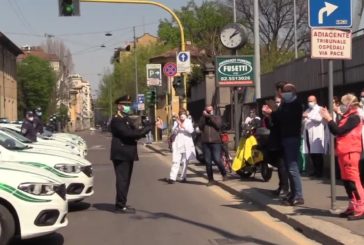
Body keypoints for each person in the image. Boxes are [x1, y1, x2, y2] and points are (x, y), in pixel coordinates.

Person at [320, 93, 364, 220]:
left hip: (350, 151)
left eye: (343, 104)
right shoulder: (348, 116)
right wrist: (330, 118)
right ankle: (353, 205)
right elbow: (337, 130)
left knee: (353, 181)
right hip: (344, 151)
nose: (341, 106)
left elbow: (339, 131)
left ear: (349, 105)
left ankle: (361, 207)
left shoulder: (355, 117)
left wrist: (329, 119)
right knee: (346, 181)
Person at [263, 83, 304, 206]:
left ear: (293, 93)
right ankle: (292, 194)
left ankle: (298, 195)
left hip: (292, 137)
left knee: (292, 167)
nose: (284, 94)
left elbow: (285, 117)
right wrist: (270, 113)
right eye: (283, 91)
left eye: (287, 91)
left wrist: (273, 111)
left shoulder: (296, 105)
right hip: (285, 137)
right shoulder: (286, 104)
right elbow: (277, 120)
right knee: (288, 167)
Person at [110, 95, 152, 214]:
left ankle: (122, 203)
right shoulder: (117, 120)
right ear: (119, 106)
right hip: (121, 154)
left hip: (127, 153)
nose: (128, 107)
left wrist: (144, 127)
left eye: (129, 105)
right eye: (126, 105)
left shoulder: (126, 119)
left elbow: (135, 131)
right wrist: (146, 129)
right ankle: (119, 206)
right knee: (122, 180)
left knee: (126, 180)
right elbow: (129, 134)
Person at [262, 95, 289, 197]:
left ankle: (285, 188)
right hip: (275, 142)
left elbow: (280, 124)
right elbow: (270, 126)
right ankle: (281, 186)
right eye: (275, 102)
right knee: (279, 166)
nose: (276, 104)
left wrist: (272, 113)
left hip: (282, 142)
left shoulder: (283, 111)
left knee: (283, 167)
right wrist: (268, 115)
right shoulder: (275, 113)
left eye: (278, 102)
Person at [198, 105, 227, 186]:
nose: (209, 112)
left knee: (217, 159)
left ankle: (224, 173)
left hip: (216, 142)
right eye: (207, 111)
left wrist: (209, 116)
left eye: (210, 110)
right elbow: (200, 127)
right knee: (207, 162)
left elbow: (218, 125)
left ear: (213, 110)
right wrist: (204, 117)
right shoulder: (202, 118)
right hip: (205, 142)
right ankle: (211, 179)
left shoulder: (217, 117)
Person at [166, 109, 196, 184]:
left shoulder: (189, 121)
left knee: (185, 162)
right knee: (175, 161)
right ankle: (172, 178)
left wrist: (183, 126)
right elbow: (173, 131)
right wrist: (177, 126)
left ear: (186, 115)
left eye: (184, 114)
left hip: (186, 145)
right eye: (181, 114)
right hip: (177, 144)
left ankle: (183, 177)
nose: (182, 115)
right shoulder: (176, 122)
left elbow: (191, 131)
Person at [302, 95, 327, 178]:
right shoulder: (308, 110)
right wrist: (305, 118)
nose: (310, 103)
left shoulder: (320, 109)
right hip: (308, 134)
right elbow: (304, 120)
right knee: (312, 154)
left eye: (311, 101)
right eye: (308, 101)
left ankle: (319, 172)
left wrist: (308, 116)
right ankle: (315, 170)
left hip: (317, 134)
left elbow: (319, 119)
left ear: (315, 101)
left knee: (318, 154)